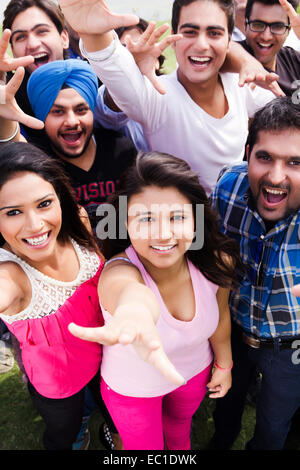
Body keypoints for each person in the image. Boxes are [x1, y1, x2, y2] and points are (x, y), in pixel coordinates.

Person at [67, 151, 244, 450]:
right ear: (124, 222)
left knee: (178, 434)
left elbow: (221, 315)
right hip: (132, 389)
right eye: (145, 218)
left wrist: (224, 364)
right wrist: (134, 314)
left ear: (196, 219)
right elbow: (129, 294)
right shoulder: (118, 271)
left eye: (177, 217)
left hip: (193, 375)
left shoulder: (217, 262)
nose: (163, 234)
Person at [58, 0, 280, 196]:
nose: (201, 44)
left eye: (214, 33)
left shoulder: (240, 84)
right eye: (190, 32)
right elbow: (116, 71)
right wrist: (94, 34)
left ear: (229, 40)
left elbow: (284, 114)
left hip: (233, 223)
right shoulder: (158, 95)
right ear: (174, 38)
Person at [0, 141, 105, 450]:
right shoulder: (11, 277)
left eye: (44, 204)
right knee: (64, 430)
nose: (36, 225)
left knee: (110, 407)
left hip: (108, 356)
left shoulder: (80, 223)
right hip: (58, 383)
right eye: (14, 212)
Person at [210, 96, 300, 450]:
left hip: (290, 345)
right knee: (226, 405)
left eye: (295, 162)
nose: (276, 177)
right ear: (247, 152)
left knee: (274, 423)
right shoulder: (227, 187)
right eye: (265, 157)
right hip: (231, 329)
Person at [94, 18, 166, 152]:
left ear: (157, 60)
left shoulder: (175, 92)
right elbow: (109, 109)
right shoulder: (109, 101)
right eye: (123, 50)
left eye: (142, 45)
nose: (134, 53)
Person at [3, 0, 70, 141]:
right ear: (13, 51)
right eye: (20, 37)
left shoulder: (93, 78)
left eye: (42, 31)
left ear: (63, 38)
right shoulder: (9, 96)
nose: (33, 44)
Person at [238, 0, 300, 96]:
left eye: (277, 26)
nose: (266, 37)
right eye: (258, 25)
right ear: (245, 25)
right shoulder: (230, 60)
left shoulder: (293, 60)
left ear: (288, 30)